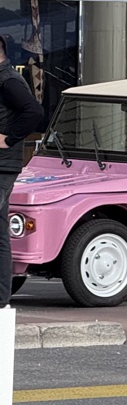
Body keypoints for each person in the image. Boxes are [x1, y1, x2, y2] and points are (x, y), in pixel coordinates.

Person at [0, 36, 43, 306]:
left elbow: (34, 112)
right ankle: (1, 297)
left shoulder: (7, 80)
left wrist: (7, 138)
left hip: (2, 165)